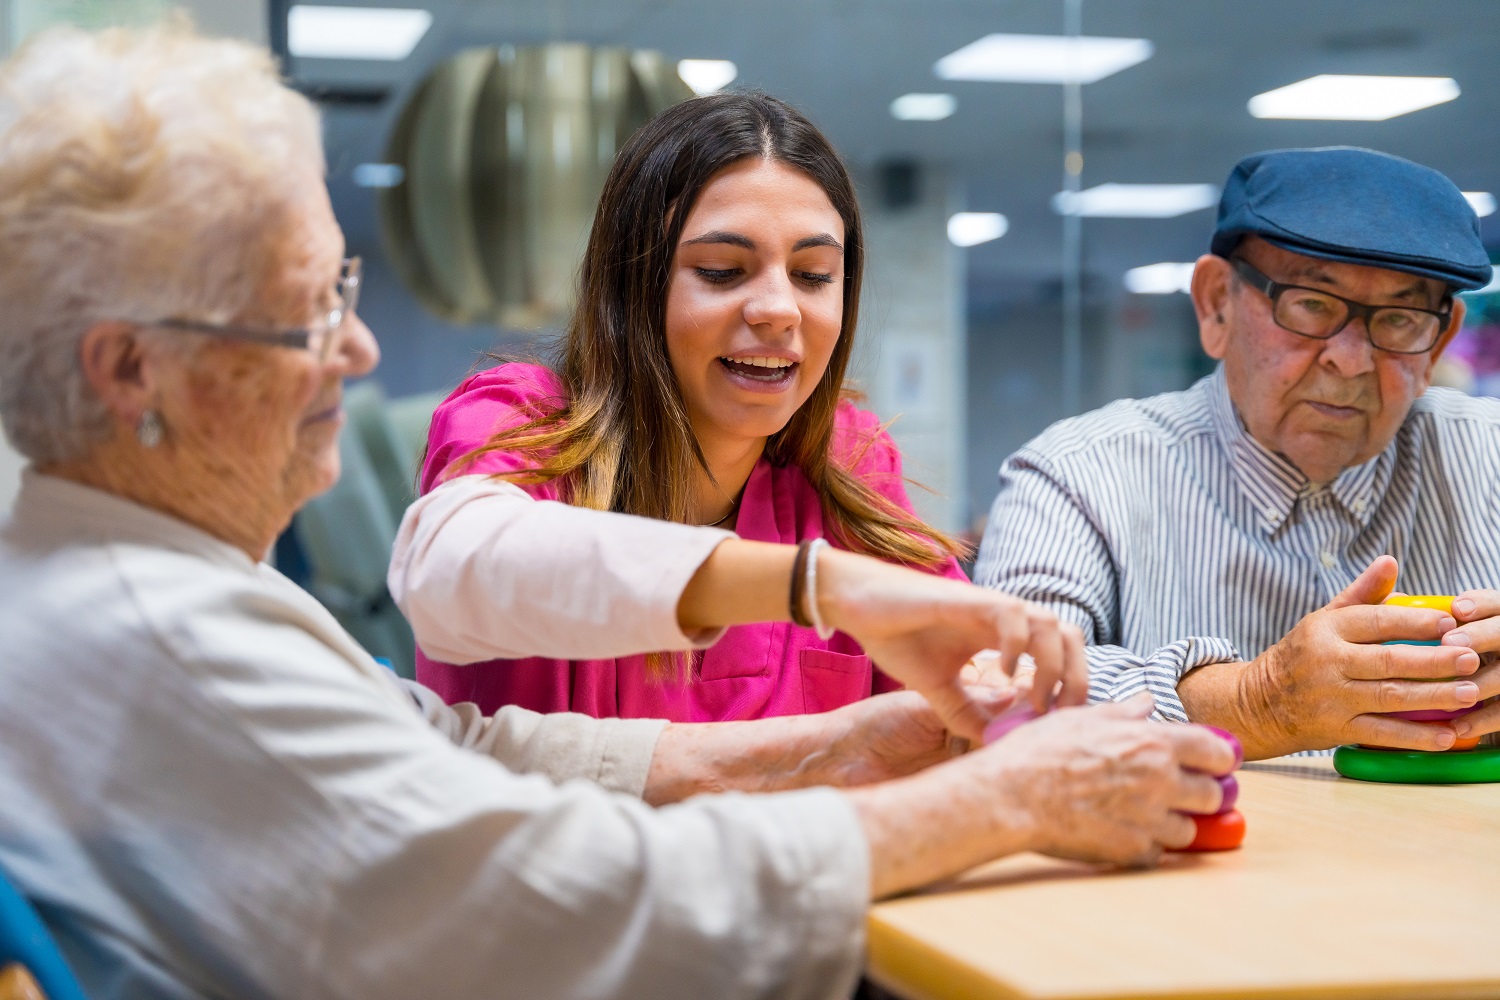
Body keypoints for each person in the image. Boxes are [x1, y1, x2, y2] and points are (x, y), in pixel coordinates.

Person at [0, 23, 1235, 1000]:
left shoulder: (173, 592)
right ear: (128, 373)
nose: (363, 348)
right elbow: (559, 901)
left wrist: (849, 748)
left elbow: (468, 753)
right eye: (312, 310)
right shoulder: (171, 636)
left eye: (815, 274)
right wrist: (1005, 797)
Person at [392, 92, 997, 723]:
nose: (779, 309)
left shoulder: (848, 455)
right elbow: (452, 566)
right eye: (721, 271)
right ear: (633, 288)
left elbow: (963, 680)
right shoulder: (516, 421)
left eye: (814, 276)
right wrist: (820, 586)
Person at [975, 146, 1500, 761]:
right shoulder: (1078, 476)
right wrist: (1257, 701)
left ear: (1439, 343)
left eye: (1401, 319)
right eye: (1311, 304)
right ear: (1216, 303)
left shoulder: (1489, 453)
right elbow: (1003, 692)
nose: (1351, 360)